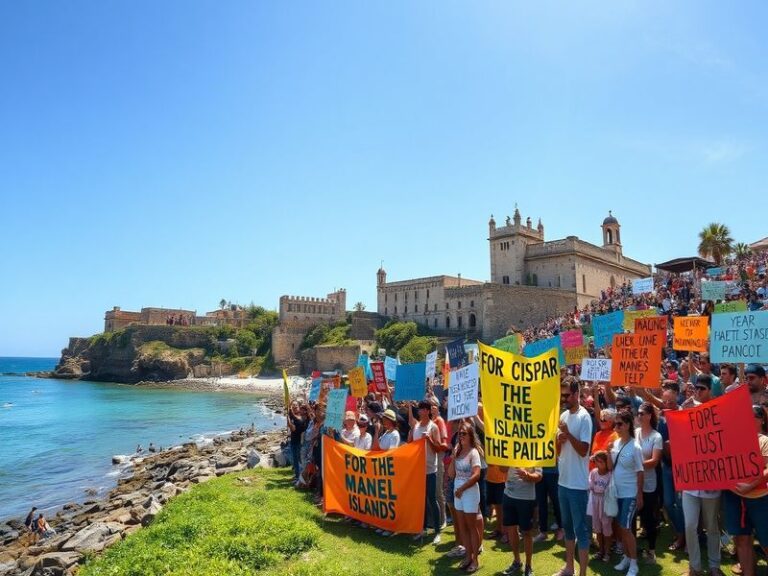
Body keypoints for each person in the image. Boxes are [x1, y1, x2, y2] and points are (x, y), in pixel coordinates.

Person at [681, 376, 722, 576]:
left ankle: (714, 565)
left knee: (712, 526)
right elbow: (680, 440)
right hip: (690, 480)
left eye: (702, 388)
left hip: (711, 481)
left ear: (711, 391)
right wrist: (683, 412)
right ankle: (694, 567)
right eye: (695, 388)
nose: (697, 392)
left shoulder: (720, 413)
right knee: (690, 524)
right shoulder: (686, 409)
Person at [553, 377, 593, 576]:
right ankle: (569, 567)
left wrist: (567, 434)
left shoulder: (585, 417)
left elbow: (584, 450)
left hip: (578, 485)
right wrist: (559, 441)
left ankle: (583, 572)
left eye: (567, 395)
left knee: (581, 530)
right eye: (562, 395)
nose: (564, 399)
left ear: (577, 394)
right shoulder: (563, 416)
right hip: (563, 482)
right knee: (567, 528)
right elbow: (559, 453)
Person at [722, 405, 768, 576]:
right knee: (742, 539)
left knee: (766, 540)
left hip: (760, 498)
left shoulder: (764, 441)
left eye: (753, 416)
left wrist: (750, 485)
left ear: (762, 419)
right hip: (735, 497)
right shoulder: (735, 439)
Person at [609, 410, 644, 576]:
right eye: (615, 424)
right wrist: (608, 453)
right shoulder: (615, 444)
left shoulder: (635, 446)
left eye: (619, 424)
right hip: (617, 492)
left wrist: (639, 495)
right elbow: (610, 467)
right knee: (622, 528)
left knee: (625, 527)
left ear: (628, 425)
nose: (616, 427)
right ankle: (627, 557)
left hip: (630, 494)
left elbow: (640, 472)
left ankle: (634, 564)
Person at [449, 422, 484, 573]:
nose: (460, 436)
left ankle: (475, 559)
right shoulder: (458, 452)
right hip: (458, 492)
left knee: (471, 526)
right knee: (462, 526)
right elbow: (451, 474)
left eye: (464, 434)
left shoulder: (473, 452)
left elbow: (477, 475)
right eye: (459, 434)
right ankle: (468, 556)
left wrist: (462, 489)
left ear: (470, 436)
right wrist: (452, 457)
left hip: (468, 492)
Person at [409, 400, 444, 545]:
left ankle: (437, 531)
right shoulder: (416, 427)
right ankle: (422, 529)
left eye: (423, 409)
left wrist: (428, 439)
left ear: (429, 411)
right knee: (420, 500)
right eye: (420, 409)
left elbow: (438, 448)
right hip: (418, 469)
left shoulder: (433, 427)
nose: (421, 411)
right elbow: (411, 445)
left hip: (430, 469)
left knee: (432, 498)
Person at [501, 464, 542, 576]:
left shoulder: (534, 451)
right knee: (511, 529)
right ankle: (517, 561)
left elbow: (539, 476)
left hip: (526, 498)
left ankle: (528, 566)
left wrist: (527, 475)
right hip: (508, 494)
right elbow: (502, 469)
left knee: (526, 532)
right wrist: (504, 462)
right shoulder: (509, 450)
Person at [635, 402, 662, 563]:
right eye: (638, 413)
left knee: (648, 518)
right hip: (633, 482)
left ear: (649, 416)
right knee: (632, 517)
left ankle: (651, 550)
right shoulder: (635, 432)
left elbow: (654, 461)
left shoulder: (656, 436)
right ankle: (631, 550)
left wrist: (636, 464)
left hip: (649, 483)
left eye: (642, 413)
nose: (639, 416)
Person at [588, 451, 613, 562]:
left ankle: (607, 552)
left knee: (606, 527)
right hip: (595, 500)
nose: (598, 464)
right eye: (596, 461)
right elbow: (590, 485)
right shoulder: (593, 472)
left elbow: (610, 489)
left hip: (606, 501)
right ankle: (601, 550)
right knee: (597, 527)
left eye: (601, 462)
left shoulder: (610, 474)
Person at [287, 402, 308, 481]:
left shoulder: (301, 418)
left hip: (299, 442)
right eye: (293, 406)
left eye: (296, 405)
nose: (294, 407)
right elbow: (291, 427)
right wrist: (288, 416)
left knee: (298, 460)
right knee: (295, 460)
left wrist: (289, 410)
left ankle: (300, 477)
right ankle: (297, 475)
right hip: (293, 440)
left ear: (299, 407)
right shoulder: (294, 417)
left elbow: (294, 428)